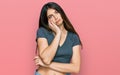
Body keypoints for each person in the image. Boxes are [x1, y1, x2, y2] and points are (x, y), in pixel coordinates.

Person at [34, 2, 83, 75]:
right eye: (50, 16)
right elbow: (46, 59)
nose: (56, 17)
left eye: (56, 12)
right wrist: (58, 34)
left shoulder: (73, 37)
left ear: (61, 13)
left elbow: (76, 68)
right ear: (47, 21)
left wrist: (47, 65)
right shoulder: (42, 32)